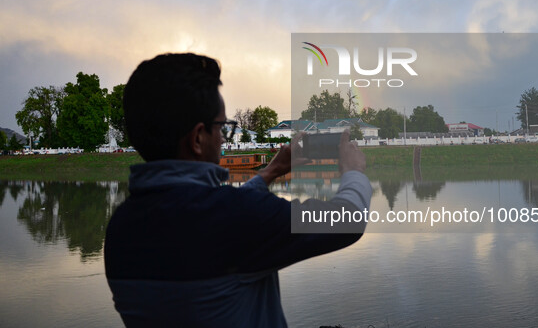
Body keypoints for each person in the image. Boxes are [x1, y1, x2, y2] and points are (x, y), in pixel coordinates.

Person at [104, 53, 372, 327]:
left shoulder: (120, 228)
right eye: (222, 127)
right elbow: (347, 220)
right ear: (198, 138)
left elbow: (212, 211)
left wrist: (271, 172)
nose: (223, 137)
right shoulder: (236, 218)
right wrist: (353, 171)